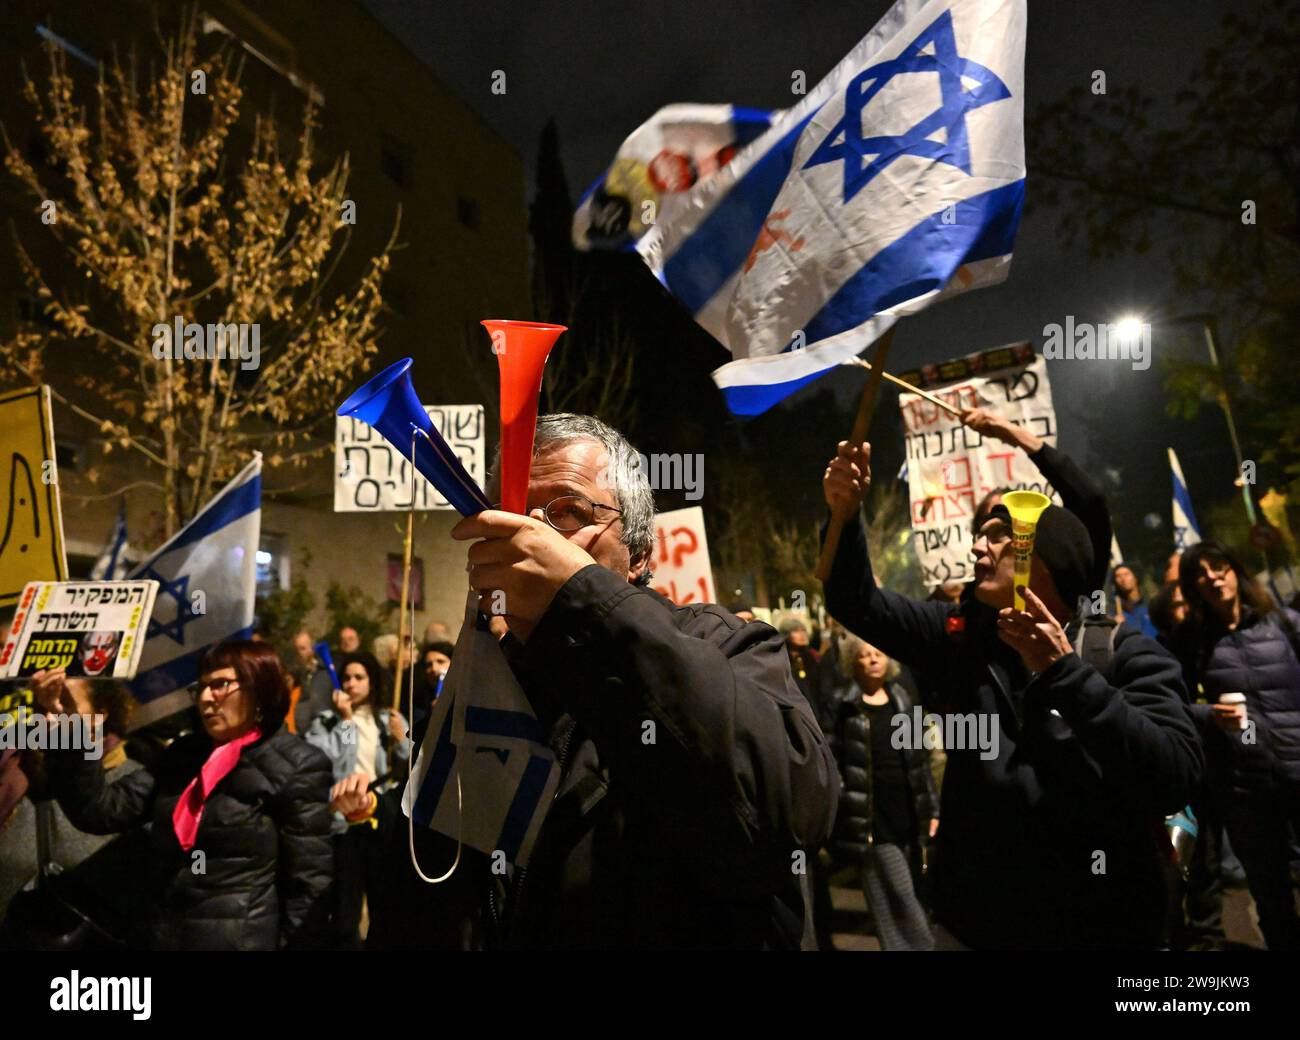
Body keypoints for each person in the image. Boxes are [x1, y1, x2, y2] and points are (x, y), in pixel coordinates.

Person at [342, 414, 838, 949]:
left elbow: (786, 818)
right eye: (509, 515)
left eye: (568, 511)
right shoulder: (482, 683)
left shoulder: (724, 646)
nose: (528, 534)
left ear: (639, 555)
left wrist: (582, 599)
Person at [822, 439, 1201, 948]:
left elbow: (1174, 775)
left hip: (1098, 923)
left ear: (1045, 559)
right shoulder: (956, 635)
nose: (977, 547)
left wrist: (1065, 674)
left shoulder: (1124, 655)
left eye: (998, 536)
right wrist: (844, 516)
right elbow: (855, 601)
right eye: (979, 535)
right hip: (977, 923)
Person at [33, 641, 333, 950]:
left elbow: (309, 885)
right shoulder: (185, 755)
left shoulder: (297, 765)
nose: (205, 698)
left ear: (260, 688)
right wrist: (68, 724)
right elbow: (100, 810)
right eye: (200, 688)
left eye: (220, 685)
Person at [1170, 539, 1300, 950]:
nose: (1212, 577)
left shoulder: (1285, 624)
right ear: (1194, 590)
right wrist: (1207, 715)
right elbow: (1170, 706)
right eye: (1200, 574)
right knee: (1271, 896)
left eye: (1218, 566)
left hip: (1298, 770)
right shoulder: (1188, 644)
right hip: (1243, 790)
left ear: (1234, 570)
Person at [830, 636, 938, 950]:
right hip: (871, 816)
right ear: (854, 662)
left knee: (900, 890)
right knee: (898, 890)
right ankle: (925, 946)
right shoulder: (844, 705)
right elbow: (832, 759)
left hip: (907, 809)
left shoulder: (902, 699)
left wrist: (931, 807)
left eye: (879, 653)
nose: (874, 659)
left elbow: (921, 759)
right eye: (865, 655)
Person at [305, 652, 410, 949]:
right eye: (347, 677)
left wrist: (401, 738)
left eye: (359, 677)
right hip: (343, 822)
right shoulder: (325, 722)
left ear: (372, 681)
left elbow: (415, 762)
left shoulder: (387, 718)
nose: (351, 684)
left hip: (380, 818)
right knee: (344, 910)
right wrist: (347, 721)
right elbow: (334, 763)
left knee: (385, 903)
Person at [961, 407, 1112, 593]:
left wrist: (1016, 434)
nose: (980, 547)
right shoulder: (972, 610)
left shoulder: (1079, 600)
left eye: (1002, 530)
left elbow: (1090, 501)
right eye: (986, 533)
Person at [289, 629, 335, 735]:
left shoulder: (328, 674)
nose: (352, 683)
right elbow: (348, 747)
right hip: (300, 736)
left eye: (302, 649)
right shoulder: (292, 677)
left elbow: (348, 748)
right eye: (295, 649)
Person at [1114, 563, 1158, 639]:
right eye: (1118, 576)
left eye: (1126, 574)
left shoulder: (1152, 603)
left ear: (1135, 577)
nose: (1123, 579)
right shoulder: (1116, 610)